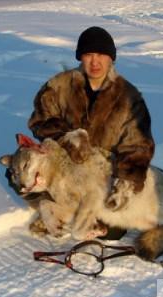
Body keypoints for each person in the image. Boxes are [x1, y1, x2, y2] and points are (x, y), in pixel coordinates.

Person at [28, 26, 155, 237]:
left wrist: (124, 184)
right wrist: (67, 138)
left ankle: (74, 213)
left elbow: (139, 146)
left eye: (101, 55)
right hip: (65, 168)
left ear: (111, 58)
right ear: (80, 57)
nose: (95, 62)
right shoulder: (59, 85)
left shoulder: (128, 97)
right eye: (88, 55)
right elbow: (40, 120)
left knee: (113, 231)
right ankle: (58, 208)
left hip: (102, 175)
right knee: (17, 174)